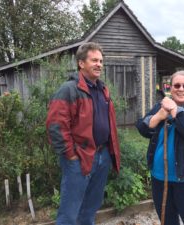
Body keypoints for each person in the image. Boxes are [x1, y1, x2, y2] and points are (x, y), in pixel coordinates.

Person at [46, 42, 120, 225]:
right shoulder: (69, 89)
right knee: (70, 212)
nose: (99, 65)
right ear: (81, 63)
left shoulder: (102, 89)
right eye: (94, 60)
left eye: (101, 61)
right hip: (79, 157)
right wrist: (71, 155)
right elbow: (56, 125)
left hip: (102, 155)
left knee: (91, 208)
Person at [136, 70, 184, 225]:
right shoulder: (160, 107)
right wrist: (159, 116)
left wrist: (176, 111)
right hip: (160, 177)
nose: (181, 89)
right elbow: (142, 128)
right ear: (170, 87)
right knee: (167, 220)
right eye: (177, 85)